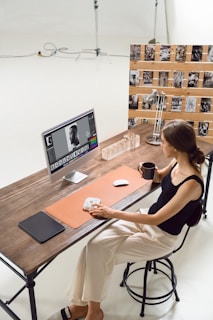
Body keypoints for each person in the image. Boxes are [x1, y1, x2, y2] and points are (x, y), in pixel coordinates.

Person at [49, 119, 205, 320]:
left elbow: (157, 218)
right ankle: (81, 306)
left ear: (174, 148)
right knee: (93, 245)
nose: (162, 145)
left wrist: (111, 212)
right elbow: (159, 178)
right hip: (145, 217)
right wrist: (148, 171)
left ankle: (92, 311)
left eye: (164, 142)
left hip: (160, 237)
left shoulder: (192, 183)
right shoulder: (177, 161)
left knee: (101, 254)